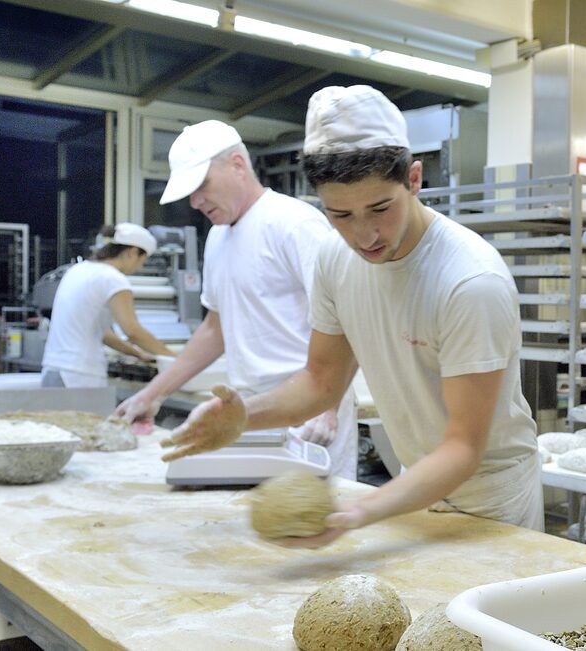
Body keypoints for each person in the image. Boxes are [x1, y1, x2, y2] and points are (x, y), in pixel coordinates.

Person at [161, 85, 542, 540]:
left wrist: (360, 512)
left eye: (380, 208)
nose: (364, 236)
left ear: (414, 179)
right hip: (416, 484)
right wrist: (244, 416)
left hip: (489, 498)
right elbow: (321, 384)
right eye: (340, 214)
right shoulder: (335, 260)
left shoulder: (470, 281)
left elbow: (463, 446)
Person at [115, 119, 359, 479]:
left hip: (310, 405)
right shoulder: (217, 238)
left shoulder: (293, 224)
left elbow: (348, 316)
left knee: (317, 521)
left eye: (202, 186)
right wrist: (153, 393)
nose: (196, 201)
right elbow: (216, 330)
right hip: (250, 406)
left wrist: (328, 405)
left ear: (238, 165)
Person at [41, 223, 176, 388]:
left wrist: (139, 354)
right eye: (142, 260)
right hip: (80, 376)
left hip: (55, 370)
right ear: (132, 252)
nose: (139, 267)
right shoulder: (112, 279)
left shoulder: (78, 270)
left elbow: (103, 333)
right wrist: (174, 359)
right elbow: (133, 331)